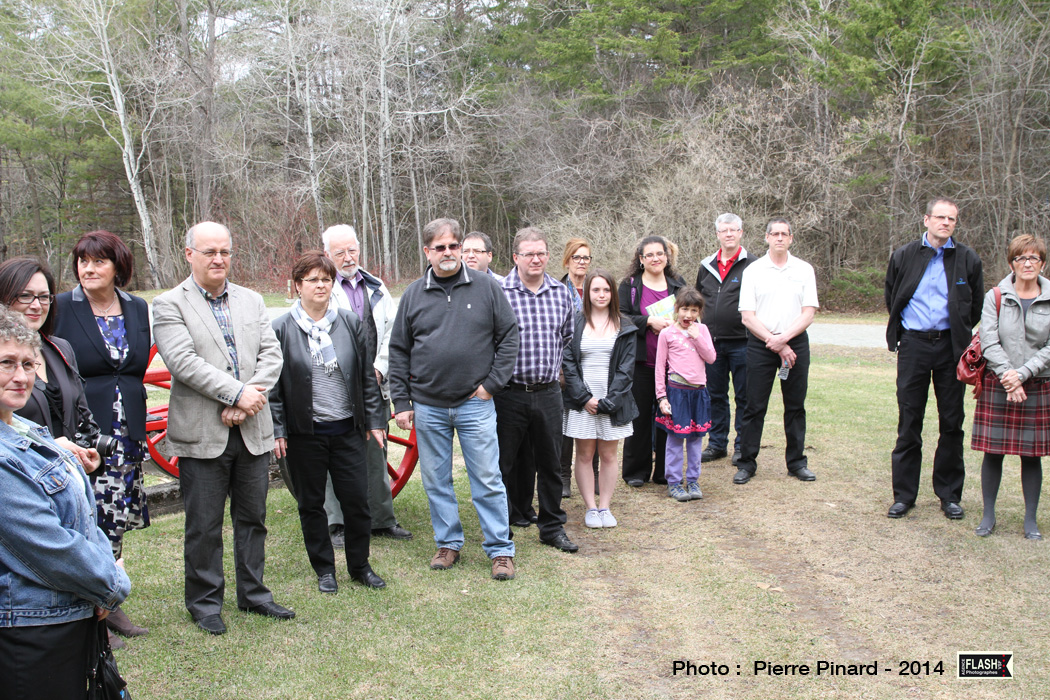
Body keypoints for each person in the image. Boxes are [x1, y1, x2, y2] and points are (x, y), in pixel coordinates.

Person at [153, 221, 293, 635]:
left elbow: (272, 355)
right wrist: (237, 395)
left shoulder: (251, 300)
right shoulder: (168, 304)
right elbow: (183, 363)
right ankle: (204, 603)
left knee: (253, 518)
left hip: (252, 431)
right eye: (209, 252)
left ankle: (254, 595)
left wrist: (248, 399)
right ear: (188, 254)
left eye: (225, 252)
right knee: (204, 525)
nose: (218, 259)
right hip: (203, 432)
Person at [0, 305, 130, 698]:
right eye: (7, 363)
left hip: (67, 616)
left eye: (28, 364)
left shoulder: (25, 428)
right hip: (32, 632)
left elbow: (81, 520)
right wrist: (110, 583)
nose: (22, 377)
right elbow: (51, 547)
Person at [388, 218, 520, 581]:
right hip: (428, 405)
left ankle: (500, 549)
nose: (448, 253)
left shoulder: (486, 288)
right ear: (427, 252)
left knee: (488, 478)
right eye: (440, 247)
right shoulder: (414, 294)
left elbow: (509, 337)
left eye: (453, 246)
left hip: (474, 403)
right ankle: (448, 543)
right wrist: (401, 401)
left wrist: (491, 385)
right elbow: (398, 349)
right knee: (436, 479)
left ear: (461, 248)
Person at [53, 231, 151, 643]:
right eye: (82, 261)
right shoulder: (61, 307)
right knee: (85, 517)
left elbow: (135, 365)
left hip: (129, 427)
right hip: (84, 430)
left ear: (118, 267)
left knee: (114, 520)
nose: (88, 269)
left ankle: (108, 604)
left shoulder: (136, 307)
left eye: (98, 262)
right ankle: (92, 608)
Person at [271, 252, 389, 592]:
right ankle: (325, 570)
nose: (321, 286)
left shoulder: (349, 323)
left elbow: (367, 377)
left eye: (326, 279)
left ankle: (359, 565)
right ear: (297, 287)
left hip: (348, 431)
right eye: (313, 280)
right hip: (304, 435)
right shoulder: (281, 328)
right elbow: (274, 386)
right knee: (311, 505)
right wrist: (278, 428)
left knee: (357, 502)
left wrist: (375, 419)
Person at [885, 197, 983, 519]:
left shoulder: (967, 259)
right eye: (939, 217)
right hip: (913, 345)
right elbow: (892, 296)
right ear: (926, 220)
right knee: (909, 421)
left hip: (950, 348)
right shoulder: (904, 256)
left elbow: (975, 307)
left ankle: (949, 495)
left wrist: (958, 336)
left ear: (955, 223)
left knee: (952, 423)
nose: (945, 223)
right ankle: (904, 496)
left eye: (951, 219)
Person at [321, 224, 411, 548]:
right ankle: (337, 523)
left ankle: (382, 519)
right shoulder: (323, 287)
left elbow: (392, 331)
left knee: (377, 447)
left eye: (352, 250)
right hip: (336, 384)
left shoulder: (376, 286)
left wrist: (378, 367)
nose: (348, 257)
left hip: (374, 381)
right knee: (334, 452)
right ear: (328, 256)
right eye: (340, 252)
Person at [497, 227, 578, 553]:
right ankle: (501, 529)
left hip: (547, 392)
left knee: (550, 463)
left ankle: (551, 526)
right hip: (508, 392)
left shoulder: (561, 293)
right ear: (516, 257)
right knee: (502, 465)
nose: (536, 259)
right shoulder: (498, 291)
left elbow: (567, 338)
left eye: (541, 253)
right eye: (529, 253)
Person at [971, 234, 1049, 540]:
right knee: (994, 452)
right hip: (1000, 383)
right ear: (1011, 263)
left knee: (1031, 455)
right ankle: (988, 516)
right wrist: (1008, 376)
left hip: (1038, 383)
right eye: (1020, 258)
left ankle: (1031, 520)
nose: (1027, 264)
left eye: (1034, 258)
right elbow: (988, 339)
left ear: (1042, 263)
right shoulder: (996, 296)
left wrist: (1023, 374)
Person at [734, 218, 819, 484]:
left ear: (791, 238)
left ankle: (796, 463)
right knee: (753, 405)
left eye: (784, 234)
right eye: (775, 234)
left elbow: (809, 312)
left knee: (795, 406)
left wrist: (784, 340)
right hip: (761, 345)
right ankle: (746, 463)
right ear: (767, 238)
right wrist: (773, 340)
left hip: (795, 344)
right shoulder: (754, 270)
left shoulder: (804, 270)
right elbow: (747, 316)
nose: (780, 238)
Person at [561, 269, 636, 528]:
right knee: (583, 454)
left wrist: (610, 401)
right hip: (583, 399)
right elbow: (568, 363)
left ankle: (605, 506)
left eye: (606, 290)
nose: (601, 294)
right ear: (587, 293)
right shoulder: (575, 322)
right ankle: (590, 509)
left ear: (613, 293)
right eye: (596, 290)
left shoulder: (625, 325)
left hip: (614, 398)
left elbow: (627, 368)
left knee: (609, 454)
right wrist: (584, 398)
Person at [619, 235, 685, 487]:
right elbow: (620, 316)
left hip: (673, 366)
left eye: (660, 253)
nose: (656, 258)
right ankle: (636, 472)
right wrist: (648, 322)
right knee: (639, 418)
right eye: (650, 255)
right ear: (641, 259)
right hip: (641, 364)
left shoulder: (678, 284)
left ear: (667, 257)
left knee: (668, 418)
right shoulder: (630, 285)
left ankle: (665, 472)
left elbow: (693, 313)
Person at [696, 213, 752, 465]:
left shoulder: (753, 265)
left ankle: (742, 446)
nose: (729, 234)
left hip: (744, 342)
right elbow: (696, 301)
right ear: (717, 234)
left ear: (741, 232)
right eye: (724, 230)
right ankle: (717, 443)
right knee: (716, 395)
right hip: (712, 343)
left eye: (734, 230)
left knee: (744, 396)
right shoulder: (706, 265)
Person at [656, 287, 716, 501]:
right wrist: (661, 397)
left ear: (699, 312)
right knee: (674, 439)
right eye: (684, 309)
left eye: (693, 310)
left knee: (695, 439)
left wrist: (698, 337)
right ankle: (673, 482)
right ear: (676, 309)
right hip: (676, 392)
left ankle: (692, 480)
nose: (688, 315)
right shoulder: (667, 333)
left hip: (698, 392)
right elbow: (659, 367)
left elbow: (711, 358)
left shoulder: (703, 331)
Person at [558, 237, 599, 498]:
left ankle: (592, 473)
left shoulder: (597, 288)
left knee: (592, 420)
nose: (582, 262)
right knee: (565, 422)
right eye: (577, 257)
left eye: (586, 258)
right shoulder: (558, 290)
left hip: (594, 362)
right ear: (567, 260)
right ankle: (563, 476)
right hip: (565, 363)